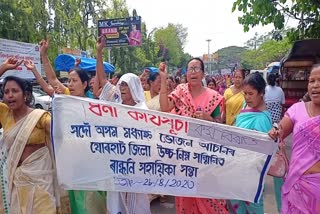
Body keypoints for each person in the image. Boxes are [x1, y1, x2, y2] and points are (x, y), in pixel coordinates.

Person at [40, 38, 106, 214]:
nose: (69, 84)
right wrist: (43, 56)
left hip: (93, 164)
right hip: (73, 164)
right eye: (69, 81)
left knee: (94, 205)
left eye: (74, 81)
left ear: (85, 84)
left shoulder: (95, 106)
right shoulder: (67, 99)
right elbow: (53, 79)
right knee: (77, 204)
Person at [159, 58, 227, 214]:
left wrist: (207, 118)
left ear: (203, 73)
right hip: (183, 158)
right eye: (190, 69)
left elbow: (221, 127)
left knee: (208, 197)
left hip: (206, 159)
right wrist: (163, 79)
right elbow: (164, 108)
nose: (193, 72)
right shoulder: (180, 91)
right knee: (185, 198)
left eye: (196, 69)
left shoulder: (214, 97)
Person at [95, 35, 150, 214]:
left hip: (136, 164)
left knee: (136, 202)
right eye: (121, 85)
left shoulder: (143, 109)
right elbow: (103, 81)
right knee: (116, 202)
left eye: (126, 85)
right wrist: (99, 52)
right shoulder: (115, 104)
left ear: (134, 87)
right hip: (116, 163)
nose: (122, 88)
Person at [0, 57, 59, 213]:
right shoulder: (5, 115)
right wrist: (3, 68)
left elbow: (60, 133)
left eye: (14, 91)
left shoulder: (40, 117)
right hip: (15, 179)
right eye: (6, 92)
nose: (10, 95)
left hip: (40, 179)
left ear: (25, 95)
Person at [268, 64, 320, 214]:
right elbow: (279, 131)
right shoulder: (297, 109)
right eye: (312, 81)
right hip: (297, 185)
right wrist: (275, 131)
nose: (315, 86)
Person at [228, 73, 272, 214]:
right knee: (236, 200)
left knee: (253, 203)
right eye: (245, 93)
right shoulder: (245, 105)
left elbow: (263, 151)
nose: (247, 97)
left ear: (261, 93)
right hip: (236, 164)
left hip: (252, 171)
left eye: (251, 94)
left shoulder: (264, 119)